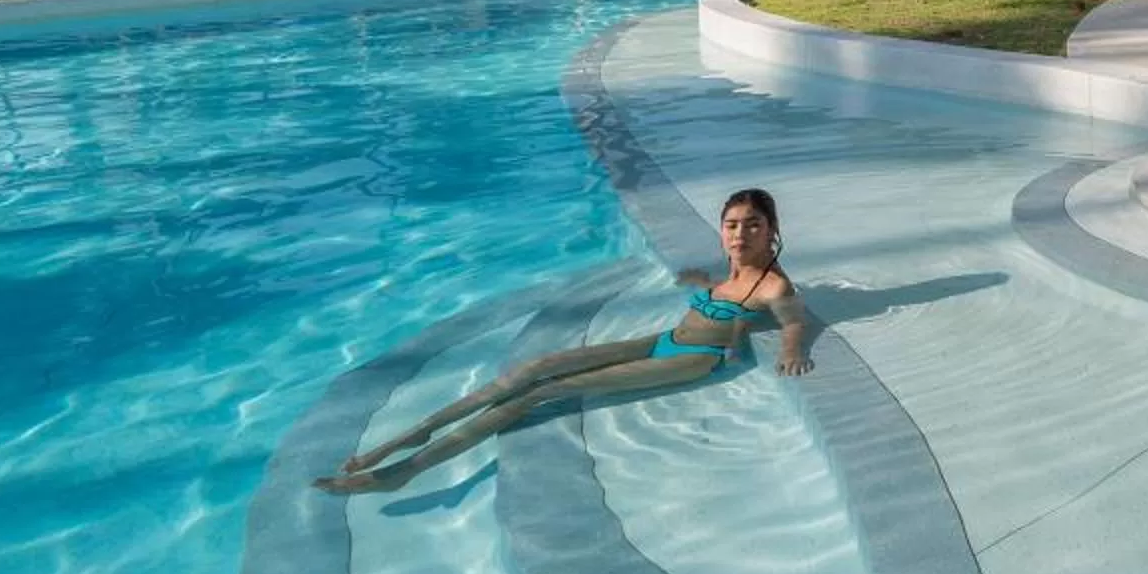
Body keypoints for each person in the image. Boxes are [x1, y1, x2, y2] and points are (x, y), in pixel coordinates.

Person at [316, 189, 810, 495]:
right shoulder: (732, 268)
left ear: (771, 231)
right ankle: (412, 435)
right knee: (535, 366)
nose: (740, 233)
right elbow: (733, 312)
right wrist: (709, 290)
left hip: (692, 359)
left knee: (540, 391)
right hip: (665, 338)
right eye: (731, 224)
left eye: (752, 225)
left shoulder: (773, 283)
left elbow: (790, 319)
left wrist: (790, 350)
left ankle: (408, 470)